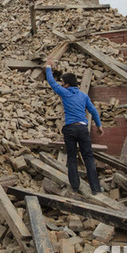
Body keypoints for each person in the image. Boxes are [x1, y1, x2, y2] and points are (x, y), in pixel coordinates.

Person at [45, 57, 104, 194]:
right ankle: (95, 188)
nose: (61, 84)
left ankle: (75, 187)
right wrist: (99, 125)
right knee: (88, 156)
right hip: (83, 128)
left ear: (66, 84)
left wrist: (48, 67)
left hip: (70, 129)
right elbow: (93, 110)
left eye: (62, 82)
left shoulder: (65, 93)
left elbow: (52, 82)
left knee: (72, 157)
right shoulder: (83, 96)